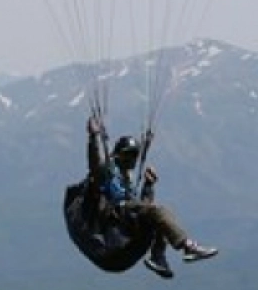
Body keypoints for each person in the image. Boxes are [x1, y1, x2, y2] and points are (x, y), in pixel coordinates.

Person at [86, 116, 218, 279]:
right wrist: (94, 136)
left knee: (160, 214)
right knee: (156, 211)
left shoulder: (127, 180)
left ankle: (157, 256)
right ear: (118, 155)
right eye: (128, 155)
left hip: (128, 220)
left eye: (135, 156)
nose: (132, 160)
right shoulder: (107, 174)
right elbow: (95, 165)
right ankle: (188, 246)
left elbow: (142, 206)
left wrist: (148, 186)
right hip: (114, 217)